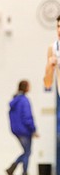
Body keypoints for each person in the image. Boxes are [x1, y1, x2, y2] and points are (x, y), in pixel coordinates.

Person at [6, 80, 38, 175]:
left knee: (26, 152)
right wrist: (33, 130)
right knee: (27, 152)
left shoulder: (14, 101)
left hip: (16, 130)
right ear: (26, 87)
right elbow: (27, 117)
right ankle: (22, 170)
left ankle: (13, 168)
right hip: (25, 131)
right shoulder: (24, 100)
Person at [43, 14, 60, 175]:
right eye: (58, 26)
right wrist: (50, 66)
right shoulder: (53, 48)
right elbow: (47, 83)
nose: (59, 30)